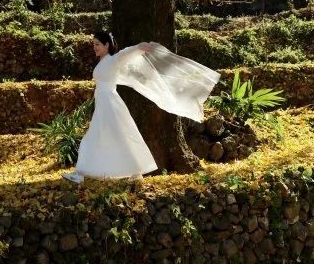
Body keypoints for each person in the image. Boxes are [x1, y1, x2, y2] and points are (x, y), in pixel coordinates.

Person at [62, 30, 221, 184]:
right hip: (104, 104)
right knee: (114, 135)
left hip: (109, 103)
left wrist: (140, 47)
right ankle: (131, 171)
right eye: (93, 44)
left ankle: (83, 174)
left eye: (97, 44)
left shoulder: (113, 60)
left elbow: (125, 53)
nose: (94, 47)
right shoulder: (104, 62)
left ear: (106, 45)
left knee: (105, 136)